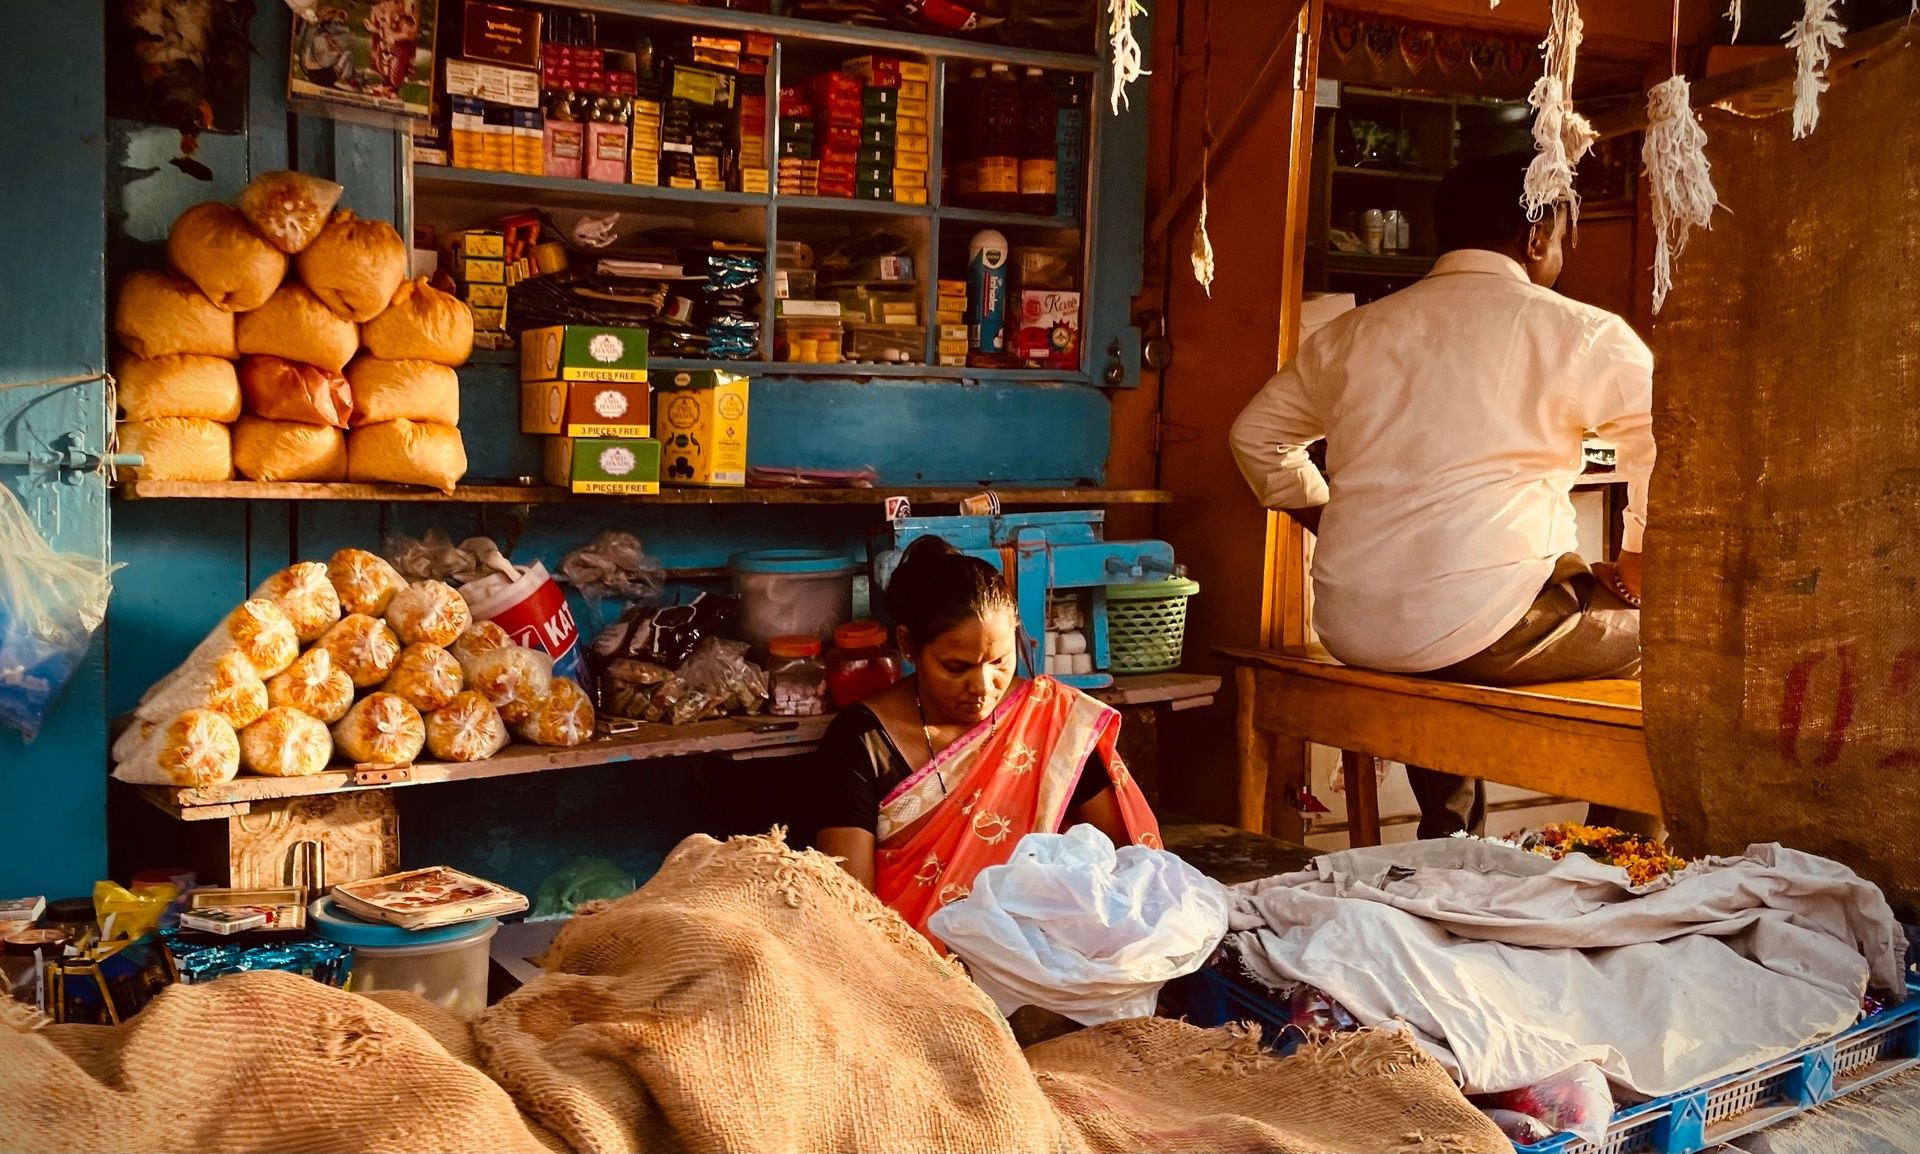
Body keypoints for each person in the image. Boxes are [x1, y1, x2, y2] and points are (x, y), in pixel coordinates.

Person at [1229, 150, 1657, 839]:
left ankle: (1449, 833)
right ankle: (1611, 850)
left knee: (1476, 595)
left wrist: (1330, 519)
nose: (1561, 256)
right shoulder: (1577, 332)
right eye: (1562, 238)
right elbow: (1670, 436)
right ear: (1535, 238)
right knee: (1672, 644)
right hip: (1483, 627)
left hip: (1353, 625)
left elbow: (1256, 438)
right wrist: (1638, 555)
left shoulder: (1353, 334)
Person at [812, 537, 1160, 941]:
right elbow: (850, 907)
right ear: (908, 645)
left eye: (998, 662)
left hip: (1043, 957)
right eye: (956, 667)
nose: (982, 686)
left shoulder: (1050, 722)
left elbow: (1129, 861)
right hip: (910, 965)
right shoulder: (862, 740)